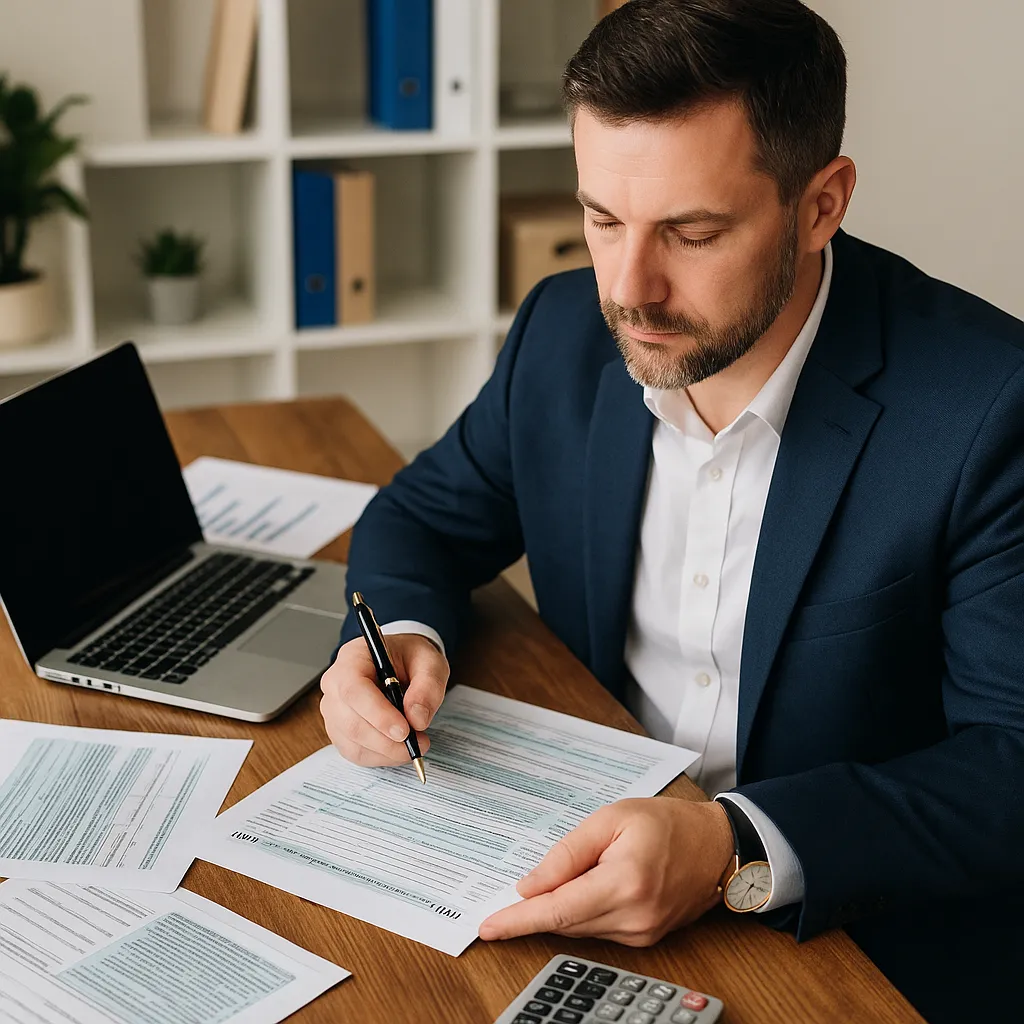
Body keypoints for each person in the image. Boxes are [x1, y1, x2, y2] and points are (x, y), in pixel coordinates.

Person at [319, 1, 1024, 1020]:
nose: (628, 288)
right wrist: (393, 641)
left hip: (844, 943)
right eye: (602, 218)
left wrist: (732, 843)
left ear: (820, 204)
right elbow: (423, 513)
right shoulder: (561, 330)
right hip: (562, 883)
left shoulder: (987, 407)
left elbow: (1007, 763)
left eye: (691, 232)